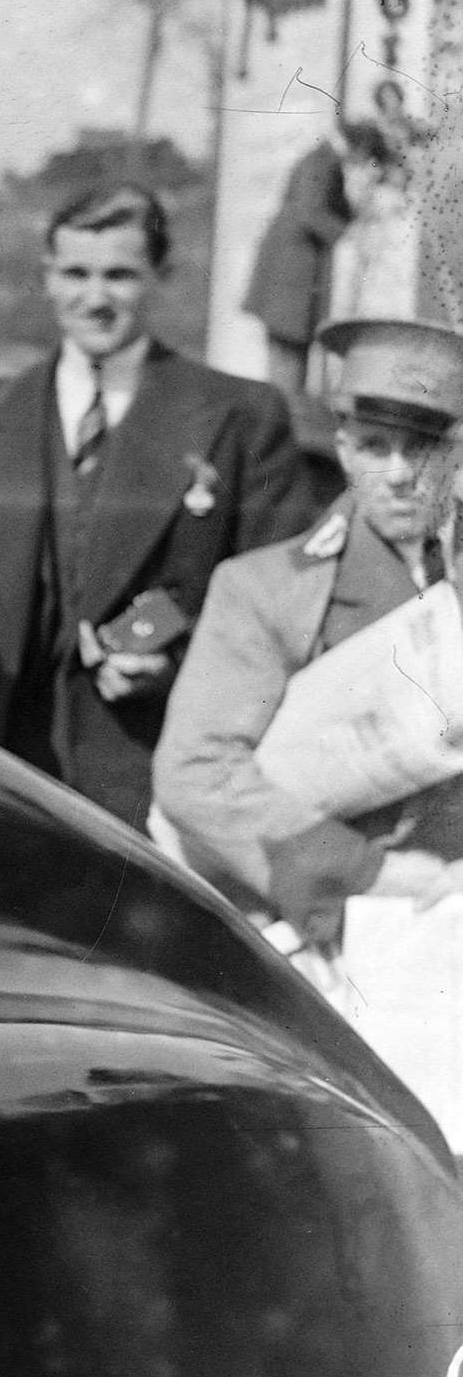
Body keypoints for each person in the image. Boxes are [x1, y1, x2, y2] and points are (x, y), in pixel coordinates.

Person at [0, 183, 315, 828]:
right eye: (75, 274)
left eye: (120, 276)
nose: (95, 298)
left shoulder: (242, 417)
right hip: (0, 758)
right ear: (47, 278)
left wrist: (171, 664)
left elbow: (282, 605)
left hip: (150, 758)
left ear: (160, 278)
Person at [154, 317, 463, 953]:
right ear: (345, 448)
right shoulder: (265, 589)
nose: (402, 474)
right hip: (327, 926)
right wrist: (372, 872)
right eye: (377, 446)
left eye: (424, 448)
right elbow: (197, 771)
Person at [244, 123, 397, 396]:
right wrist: (349, 234)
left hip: (296, 278)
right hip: (289, 277)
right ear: (359, 148)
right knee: (288, 364)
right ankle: (281, 425)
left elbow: (338, 209)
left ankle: (285, 420)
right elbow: (310, 212)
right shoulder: (320, 162)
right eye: (367, 159)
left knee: (294, 358)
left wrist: (364, 199)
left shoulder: (328, 162)